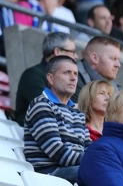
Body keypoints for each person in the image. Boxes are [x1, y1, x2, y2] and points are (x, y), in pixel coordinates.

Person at [23, 55, 90, 183]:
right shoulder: (42, 104)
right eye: (67, 73)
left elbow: (88, 147)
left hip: (75, 168)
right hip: (49, 173)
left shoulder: (78, 112)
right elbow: (56, 150)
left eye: (76, 73)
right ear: (50, 78)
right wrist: (92, 161)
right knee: (97, 173)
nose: (73, 78)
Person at [15, 32, 77, 126]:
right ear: (58, 52)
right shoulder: (32, 75)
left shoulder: (71, 78)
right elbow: (48, 109)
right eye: (72, 52)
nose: (76, 56)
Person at [74, 36, 120, 102]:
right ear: (94, 58)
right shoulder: (74, 79)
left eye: (118, 60)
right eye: (113, 59)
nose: (118, 65)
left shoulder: (113, 86)